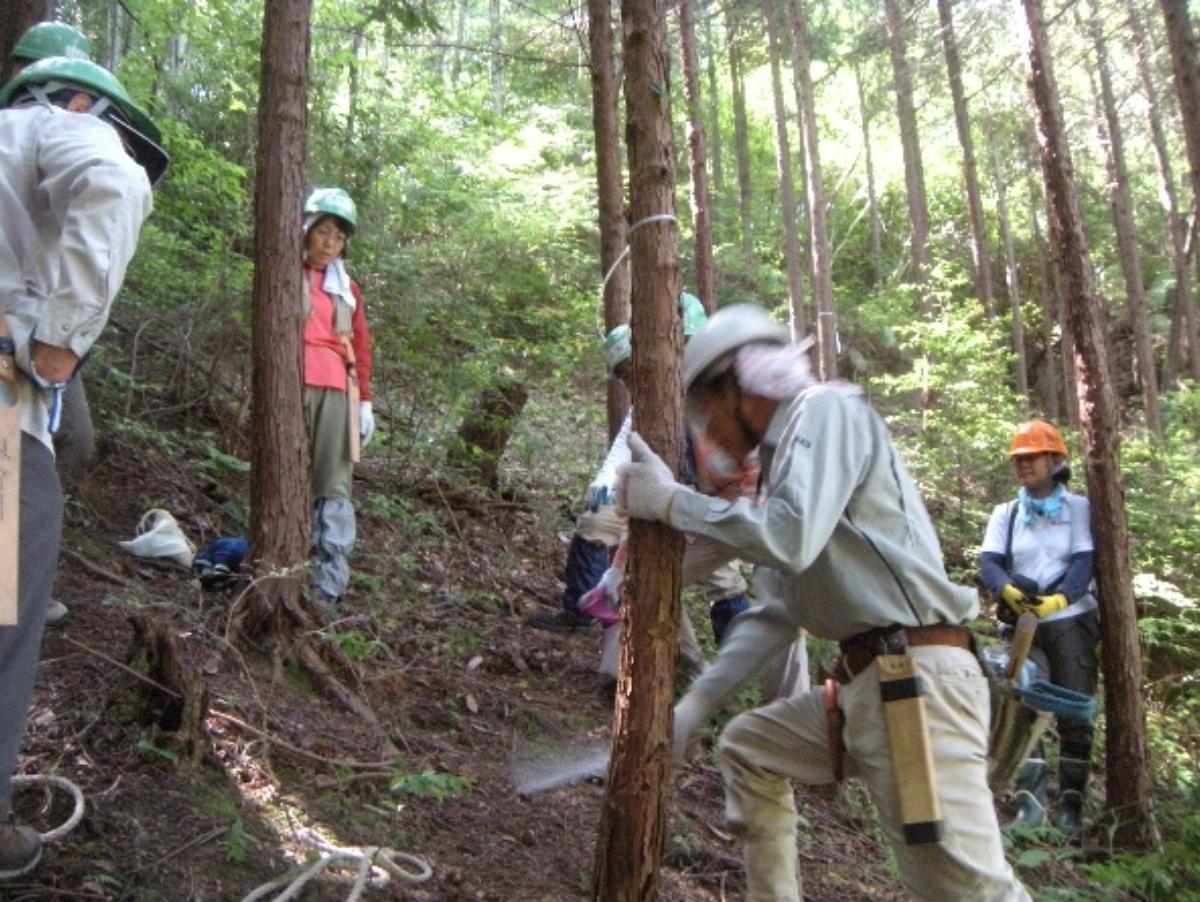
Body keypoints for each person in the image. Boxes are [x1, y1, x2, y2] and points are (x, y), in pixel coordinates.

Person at [616, 304, 1028, 900]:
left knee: (964, 889)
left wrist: (672, 503)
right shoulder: (787, 464)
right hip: (873, 684)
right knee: (750, 747)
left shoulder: (827, 409)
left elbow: (788, 537)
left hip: (915, 683)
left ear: (739, 385)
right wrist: (697, 704)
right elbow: (777, 609)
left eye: (704, 411)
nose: (707, 432)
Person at [0, 55, 167, 880]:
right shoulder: (57, 125)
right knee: (3, 623)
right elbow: (114, 184)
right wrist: (61, 339)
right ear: (77, 101)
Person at [528, 294, 751, 649]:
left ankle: (736, 660)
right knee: (601, 526)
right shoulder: (651, 396)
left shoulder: (720, 391)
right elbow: (626, 445)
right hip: (660, 494)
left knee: (724, 580)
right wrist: (606, 488)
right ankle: (584, 616)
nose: (632, 381)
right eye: (625, 375)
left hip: (707, 497)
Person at [9, 21, 99, 626]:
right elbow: (116, 186)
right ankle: (18, 577)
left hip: (38, 327)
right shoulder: (39, 128)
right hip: (18, 338)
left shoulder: (38, 139)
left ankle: (29, 565)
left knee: (75, 439)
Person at [980, 420, 1098, 834]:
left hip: (1071, 623)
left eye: (1032, 458)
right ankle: (1031, 805)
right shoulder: (1007, 513)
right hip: (1025, 625)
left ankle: (1070, 809)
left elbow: (1085, 559)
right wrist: (1008, 592)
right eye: (1019, 459)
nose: (1024, 465)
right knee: (1023, 708)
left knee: (1075, 713)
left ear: (1055, 460)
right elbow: (990, 561)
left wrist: (1062, 598)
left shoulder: (1079, 508)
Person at [302, 187, 375, 605]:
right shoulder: (283, 271)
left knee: (332, 486)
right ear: (306, 230)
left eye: (338, 237)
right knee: (289, 479)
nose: (329, 242)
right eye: (323, 231)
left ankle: (326, 587)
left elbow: (360, 348)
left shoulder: (346, 288)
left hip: (334, 390)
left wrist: (364, 401)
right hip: (291, 385)